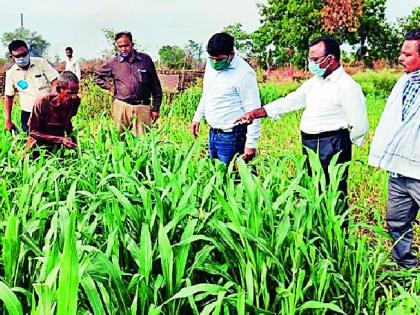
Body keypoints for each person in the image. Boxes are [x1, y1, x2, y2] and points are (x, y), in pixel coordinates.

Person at [235, 36, 368, 207]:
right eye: (309, 58)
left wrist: (342, 145)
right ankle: (318, 227)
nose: (310, 63)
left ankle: (336, 231)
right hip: (310, 144)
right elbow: (289, 101)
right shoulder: (314, 83)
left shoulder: (347, 86)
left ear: (330, 59)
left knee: (334, 192)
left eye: (314, 59)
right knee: (315, 188)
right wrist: (255, 114)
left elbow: (360, 125)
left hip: (333, 145)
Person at [368, 29, 420, 268]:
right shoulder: (404, 81)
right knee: (397, 221)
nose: (400, 58)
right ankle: (405, 265)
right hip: (399, 169)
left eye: (406, 54)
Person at [190, 32, 261, 164]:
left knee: (232, 178)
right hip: (213, 133)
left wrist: (251, 143)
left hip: (233, 136)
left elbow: (254, 111)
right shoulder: (210, 65)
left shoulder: (244, 73)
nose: (215, 63)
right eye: (212, 58)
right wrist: (197, 117)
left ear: (231, 54)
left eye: (220, 59)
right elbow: (207, 92)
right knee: (218, 174)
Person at [94, 31, 162, 136]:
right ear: (117, 47)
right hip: (121, 106)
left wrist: (156, 108)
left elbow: (156, 86)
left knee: (142, 142)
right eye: (120, 46)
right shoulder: (113, 63)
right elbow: (96, 76)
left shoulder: (145, 60)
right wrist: (109, 86)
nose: (123, 49)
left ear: (132, 44)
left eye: (126, 45)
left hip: (142, 107)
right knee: (119, 139)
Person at [4, 40, 58, 132]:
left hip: (48, 110)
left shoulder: (41, 63)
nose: (22, 58)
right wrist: (8, 120)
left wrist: (53, 98)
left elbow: (55, 81)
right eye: (18, 56)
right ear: (12, 57)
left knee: (53, 138)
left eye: (24, 54)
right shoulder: (11, 73)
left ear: (28, 52)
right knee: (32, 138)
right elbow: (9, 97)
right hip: (28, 113)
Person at [27, 71, 80, 150]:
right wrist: (60, 139)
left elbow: (68, 121)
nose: (74, 97)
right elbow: (33, 132)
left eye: (76, 93)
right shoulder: (42, 102)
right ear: (59, 89)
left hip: (58, 146)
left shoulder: (75, 101)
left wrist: (71, 138)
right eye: (70, 93)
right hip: (38, 146)